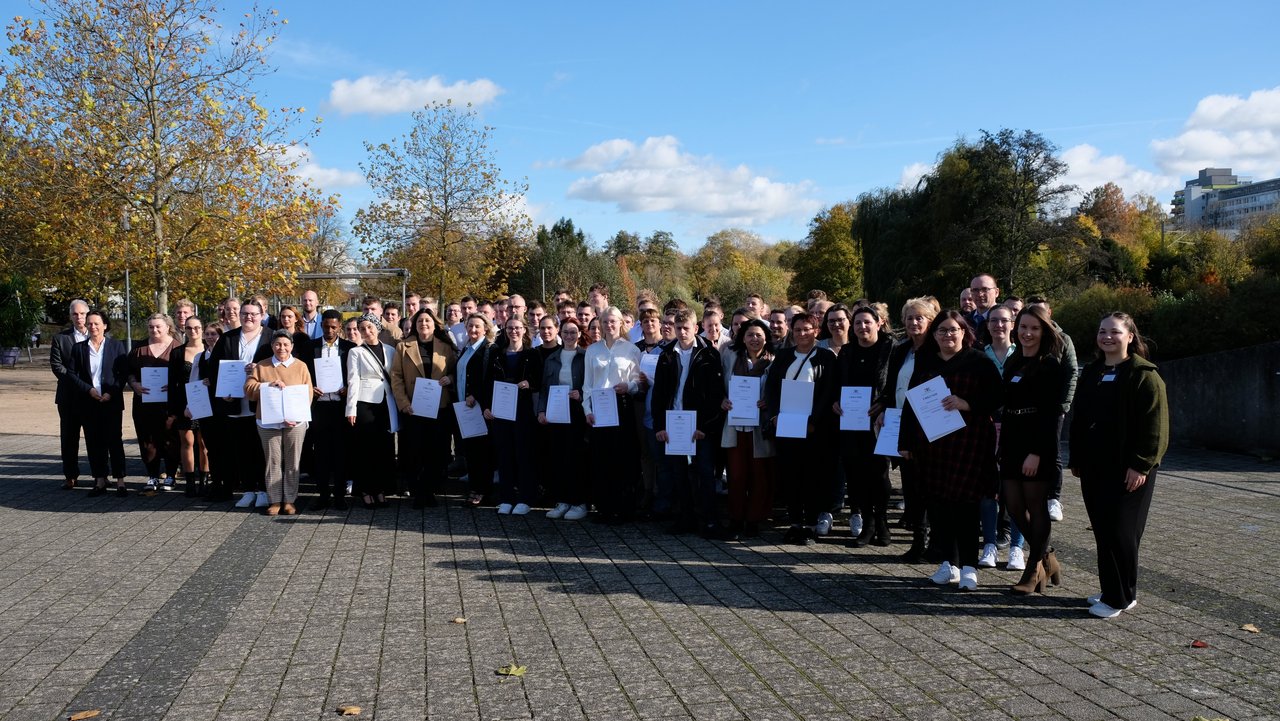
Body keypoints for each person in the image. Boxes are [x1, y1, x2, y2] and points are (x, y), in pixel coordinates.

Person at [1070, 312, 1168, 619]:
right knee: (1103, 531)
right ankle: (1114, 588)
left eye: (1114, 332)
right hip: (1095, 467)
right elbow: (1080, 418)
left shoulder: (1144, 375)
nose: (1107, 337)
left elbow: (1156, 427)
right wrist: (1077, 457)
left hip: (1129, 469)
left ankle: (1119, 598)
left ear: (1129, 336)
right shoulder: (1093, 371)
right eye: (1102, 331)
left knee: (1121, 532)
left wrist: (1140, 466)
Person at [899, 311, 1002, 591]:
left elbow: (997, 397)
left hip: (968, 444)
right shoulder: (926, 361)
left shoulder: (979, 361)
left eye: (953, 330)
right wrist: (905, 442)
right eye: (942, 331)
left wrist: (967, 403)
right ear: (934, 335)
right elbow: (911, 403)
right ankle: (949, 563)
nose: (948, 335)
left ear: (964, 332)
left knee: (966, 507)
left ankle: (969, 567)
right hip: (932, 445)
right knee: (938, 504)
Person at [1001, 305, 1068, 594]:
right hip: (1012, 439)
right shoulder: (1013, 361)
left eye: (1034, 328)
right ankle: (1047, 555)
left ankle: (1033, 569)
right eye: (1023, 327)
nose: (1027, 333)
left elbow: (1051, 413)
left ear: (1044, 331)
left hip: (1036, 442)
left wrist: (1037, 452)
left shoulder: (1050, 365)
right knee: (1012, 504)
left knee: (1035, 506)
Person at [652, 308, 726, 537]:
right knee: (679, 473)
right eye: (678, 328)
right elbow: (659, 394)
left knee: (705, 473)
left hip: (699, 426)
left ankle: (710, 520)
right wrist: (660, 426)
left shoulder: (709, 354)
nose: (682, 332)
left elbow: (716, 396)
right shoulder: (666, 355)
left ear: (696, 328)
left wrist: (706, 427)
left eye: (686, 328)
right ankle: (686, 518)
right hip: (675, 424)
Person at [876, 297, 940, 562]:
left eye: (920, 318)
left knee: (930, 485)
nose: (914, 322)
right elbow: (891, 386)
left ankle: (934, 541)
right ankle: (918, 540)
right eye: (910, 318)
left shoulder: (937, 350)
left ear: (930, 321)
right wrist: (882, 408)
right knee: (911, 484)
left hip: (929, 425)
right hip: (901, 422)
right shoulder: (901, 350)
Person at [764, 312, 836, 545]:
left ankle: (811, 525)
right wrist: (773, 415)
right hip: (786, 424)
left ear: (816, 331)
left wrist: (814, 420)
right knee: (791, 475)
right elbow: (772, 389)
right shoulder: (783, 356)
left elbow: (828, 392)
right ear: (791, 332)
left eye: (807, 329)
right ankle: (795, 523)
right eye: (797, 330)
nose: (802, 334)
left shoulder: (826, 357)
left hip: (814, 429)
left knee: (813, 477)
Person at [832, 305, 895, 547]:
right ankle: (867, 525)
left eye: (867, 322)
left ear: (878, 323)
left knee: (879, 474)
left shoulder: (890, 349)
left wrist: (884, 404)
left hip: (879, 421)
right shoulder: (847, 352)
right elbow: (836, 383)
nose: (862, 327)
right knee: (856, 475)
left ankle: (882, 522)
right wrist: (834, 402)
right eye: (857, 323)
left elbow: (895, 383)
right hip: (851, 421)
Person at [390, 308, 458, 508]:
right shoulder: (404, 347)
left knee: (436, 452)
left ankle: (429, 490)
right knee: (416, 452)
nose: (424, 324)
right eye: (420, 321)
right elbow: (396, 377)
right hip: (414, 409)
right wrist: (404, 404)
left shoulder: (445, 347)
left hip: (439, 408)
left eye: (427, 321)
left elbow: (456, 370)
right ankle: (419, 492)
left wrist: (450, 379)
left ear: (435, 324)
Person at [209, 299, 273, 505]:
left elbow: (280, 366)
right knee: (241, 449)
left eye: (254, 313)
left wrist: (259, 368)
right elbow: (214, 369)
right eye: (245, 313)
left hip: (262, 404)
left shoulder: (271, 337)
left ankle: (263, 490)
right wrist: (222, 392)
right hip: (235, 403)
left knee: (261, 449)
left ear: (262, 315)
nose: (249, 317)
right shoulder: (227, 338)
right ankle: (248, 490)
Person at [978, 305, 1027, 571]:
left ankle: (1017, 548)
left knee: (1016, 490)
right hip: (986, 429)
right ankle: (989, 544)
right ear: (987, 325)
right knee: (988, 489)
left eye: (1004, 321)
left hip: (1017, 429)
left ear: (1013, 324)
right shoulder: (978, 356)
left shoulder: (1022, 355)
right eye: (993, 321)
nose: (998, 325)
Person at [583, 306, 643, 523]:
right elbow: (587, 385)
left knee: (623, 458)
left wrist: (629, 386)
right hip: (599, 408)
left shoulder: (631, 350)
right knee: (602, 458)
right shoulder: (592, 350)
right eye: (605, 321)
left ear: (621, 323)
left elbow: (639, 381)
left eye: (613, 321)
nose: (609, 325)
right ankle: (605, 508)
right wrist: (587, 410)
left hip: (622, 405)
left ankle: (623, 508)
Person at [243, 331, 312, 515]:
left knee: (292, 461)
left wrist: (297, 416)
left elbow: (308, 393)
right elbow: (249, 389)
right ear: (272, 346)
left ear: (292, 346)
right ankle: (274, 500)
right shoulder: (262, 365)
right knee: (272, 461)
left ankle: (289, 500)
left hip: (294, 422)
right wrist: (267, 386)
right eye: (278, 344)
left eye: (285, 344)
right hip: (268, 421)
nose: (282, 348)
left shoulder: (301, 366)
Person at [719, 317, 775, 539]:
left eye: (759, 335)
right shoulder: (730, 356)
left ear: (766, 338)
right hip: (735, 426)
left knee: (760, 477)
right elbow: (719, 383)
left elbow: (778, 390)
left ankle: (753, 520)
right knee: (736, 476)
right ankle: (735, 519)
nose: (754, 339)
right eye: (750, 335)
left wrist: (768, 401)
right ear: (742, 337)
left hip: (760, 429)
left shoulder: (774, 360)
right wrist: (722, 399)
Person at [1026, 296, 1078, 523]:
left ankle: (1053, 497)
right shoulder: (1027, 339)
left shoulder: (1062, 339)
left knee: (1052, 450)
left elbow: (1071, 372)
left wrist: (1064, 405)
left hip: (1054, 407)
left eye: (1041, 313)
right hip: (1029, 408)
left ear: (1050, 313)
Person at [482, 316, 542, 514]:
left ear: (524, 330)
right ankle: (506, 497)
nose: (513, 331)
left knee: (524, 454)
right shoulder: (497, 354)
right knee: (504, 453)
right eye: (509, 328)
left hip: (523, 410)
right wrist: (487, 406)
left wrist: (529, 384)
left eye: (517, 328)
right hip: (501, 410)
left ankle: (525, 498)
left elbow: (539, 380)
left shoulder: (532, 355)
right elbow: (488, 383)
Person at [538, 317, 590, 520]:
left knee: (576, 457)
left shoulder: (585, 357)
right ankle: (563, 501)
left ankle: (579, 502)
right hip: (557, 410)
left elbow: (591, 385)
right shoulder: (552, 358)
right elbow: (544, 388)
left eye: (573, 332)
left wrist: (581, 394)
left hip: (577, 411)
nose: (569, 336)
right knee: (558, 456)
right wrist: (541, 411)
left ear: (579, 334)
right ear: (560, 333)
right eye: (566, 332)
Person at [74, 310, 129, 496]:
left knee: (114, 440)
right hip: (89, 401)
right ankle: (99, 480)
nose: (93, 327)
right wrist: (88, 389)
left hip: (111, 401)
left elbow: (123, 374)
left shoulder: (116, 346)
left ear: (105, 325)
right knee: (93, 441)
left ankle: (120, 480)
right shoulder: (79, 348)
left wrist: (111, 392)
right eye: (89, 323)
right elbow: (73, 375)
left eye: (97, 323)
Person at [345, 313, 397, 509]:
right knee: (366, 449)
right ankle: (366, 491)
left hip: (386, 403)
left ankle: (381, 490)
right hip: (365, 404)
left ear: (377, 327)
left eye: (370, 327)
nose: (366, 331)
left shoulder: (390, 350)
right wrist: (351, 409)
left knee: (384, 448)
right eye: (362, 328)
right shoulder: (356, 352)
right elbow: (353, 380)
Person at [125, 313, 181, 490]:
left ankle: (171, 475)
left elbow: (185, 374)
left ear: (168, 327)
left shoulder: (178, 348)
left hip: (169, 404)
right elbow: (128, 371)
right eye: (151, 327)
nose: (154, 330)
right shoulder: (139, 348)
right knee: (147, 440)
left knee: (170, 439)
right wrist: (134, 384)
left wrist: (174, 385)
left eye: (158, 326)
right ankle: (152, 476)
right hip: (144, 403)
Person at [309, 309, 355, 510]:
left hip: (340, 406)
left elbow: (355, 376)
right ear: (321, 325)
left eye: (333, 327)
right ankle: (322, 495)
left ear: (340, 327)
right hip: (318, 407)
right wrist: (311, 389)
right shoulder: (309, 347)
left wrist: (348, 388)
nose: (329, 330)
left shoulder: (349, 348)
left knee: (341, 453)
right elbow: (304, 375)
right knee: (320, 454)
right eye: (326, 326)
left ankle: (339, 495)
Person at [456, 312, 496, 507]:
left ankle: (483, 491)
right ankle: (474, 487)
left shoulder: (489, 349)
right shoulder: (466, 349)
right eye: (470, 326)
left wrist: (477, 395)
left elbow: (489, 379)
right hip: (465, 408)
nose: (473, 329)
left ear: (485, 328)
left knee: (482, 452)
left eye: (477, 326)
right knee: (471, 451)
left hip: (480, 407)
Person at [167, 315, 210, 496]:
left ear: (202, 329)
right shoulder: (178, 352)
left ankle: (205, 481)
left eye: (197, 328)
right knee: (187, 442)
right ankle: (190, 482)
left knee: (204, 444)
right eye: (189, 328)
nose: (193, 331)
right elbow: (172, 383)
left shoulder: (211, 350)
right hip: (184, 403)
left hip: (206, 403)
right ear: (184, 330)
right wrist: (176, 409)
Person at [51, 299, 90, 489]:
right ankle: (70, 475)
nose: (79, 317)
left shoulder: (99, 335)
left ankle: (102, 474)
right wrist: (78, 382)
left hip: (93, 396)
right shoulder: (60, 338)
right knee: (69, 438)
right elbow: (57, 366)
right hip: (69, 396)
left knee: (97, 437)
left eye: (82, 314)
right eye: (75, 314)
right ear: (70, 316)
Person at [965, 273, 1001, 346]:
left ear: (996, 292)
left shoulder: (1006, 320)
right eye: (975, 290)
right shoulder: (965, 321)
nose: (980, 294)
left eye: (985, 289)